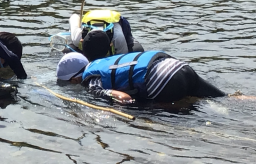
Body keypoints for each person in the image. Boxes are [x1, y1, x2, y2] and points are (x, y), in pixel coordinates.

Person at [56, 49, 228, 104]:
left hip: (162, 80)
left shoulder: (91, 81)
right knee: (225, 98)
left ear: (74, 80)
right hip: (177, 65)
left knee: (160, 114)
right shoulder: (102, 62)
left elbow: (123, 97)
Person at [66, 9, 143, 55]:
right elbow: (74, 17)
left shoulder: (118, 38)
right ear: (82, 42)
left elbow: (123, 57)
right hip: (91, 20)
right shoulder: (78, 37)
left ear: (110, 45)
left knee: (137, 49)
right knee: (69, 49)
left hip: (116, 22)